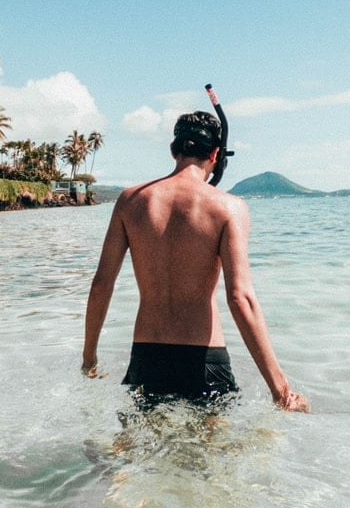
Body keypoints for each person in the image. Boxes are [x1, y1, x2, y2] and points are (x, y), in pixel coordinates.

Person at [82, 109, 309, 411]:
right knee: (211, 456)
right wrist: (281, 389)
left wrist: (89, 358)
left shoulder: (130, 201)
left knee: (139, 454)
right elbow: (240, 298)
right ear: (216, 154)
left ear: (174, 150)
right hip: (205, 358)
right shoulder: (229, 207)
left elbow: (102, 284)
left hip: (147, 356)